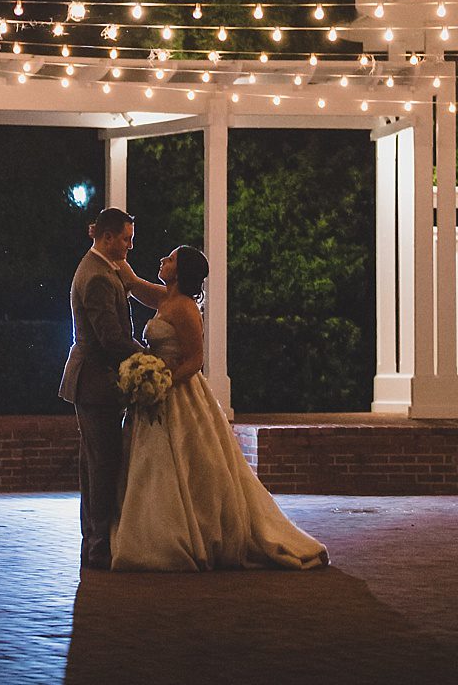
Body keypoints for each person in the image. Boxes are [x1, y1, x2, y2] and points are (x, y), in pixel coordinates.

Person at [110, 244, 329, 572]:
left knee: (189, 464)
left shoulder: (184, 308)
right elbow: (134, 284)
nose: (162, 260)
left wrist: (162, 381)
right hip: (155, 396)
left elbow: (195, 359)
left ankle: (184, 536)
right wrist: (112, 248)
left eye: (169, 259)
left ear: (180, 271)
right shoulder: (165, 298)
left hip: (178, 393)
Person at [58, 206, 145, 571]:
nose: (129, 246)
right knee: (103, 466)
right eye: (125, 239)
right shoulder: (96, 277)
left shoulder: (100, 269)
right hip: (95, 383)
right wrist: (148, 357)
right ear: (107, 237)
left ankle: (92, 544)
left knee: (94, 466)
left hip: (93, 384)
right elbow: (110, 338)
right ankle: (98, 548)